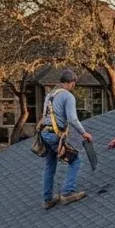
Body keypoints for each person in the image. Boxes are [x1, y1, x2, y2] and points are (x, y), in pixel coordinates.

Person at [40, 69, 93, 209]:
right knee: (75, 160)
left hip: (44, 133)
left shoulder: (50, 95)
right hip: (55, 135)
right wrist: (84, 133)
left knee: (50, 165)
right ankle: (67, 193)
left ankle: (47, 200)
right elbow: (72, 119)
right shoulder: (68, 96)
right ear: (72, 83)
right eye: (74, 84)